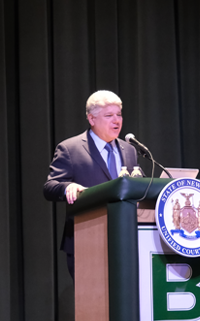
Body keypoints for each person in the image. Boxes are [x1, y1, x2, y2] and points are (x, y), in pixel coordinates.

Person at [43, 90, 138, 278]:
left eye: (119, 114)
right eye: (109, 115)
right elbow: (50, 187)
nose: (117, 120)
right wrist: (67, 187)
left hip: (126, 239)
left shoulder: (129, 150)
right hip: (86, 239)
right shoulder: (71, 149)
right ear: (91, 119)